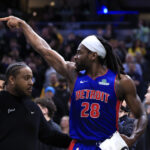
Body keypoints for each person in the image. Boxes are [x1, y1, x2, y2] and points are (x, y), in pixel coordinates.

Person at [0, 16, 147, 150]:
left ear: (93, 55)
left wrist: (132, 138)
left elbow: (142, 115)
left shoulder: (121, 81)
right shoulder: (73, 74)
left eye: (79, 53)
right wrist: (24, 25)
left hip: (107, 146)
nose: (75, 57)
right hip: (78, 145)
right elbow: (44, 50)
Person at [0, 62, 71, 150]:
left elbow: (49, 135)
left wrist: (75, 140)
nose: (31, 82)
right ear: (12, 79)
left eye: (31, 78)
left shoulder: (33, 107)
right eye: (26, 78)